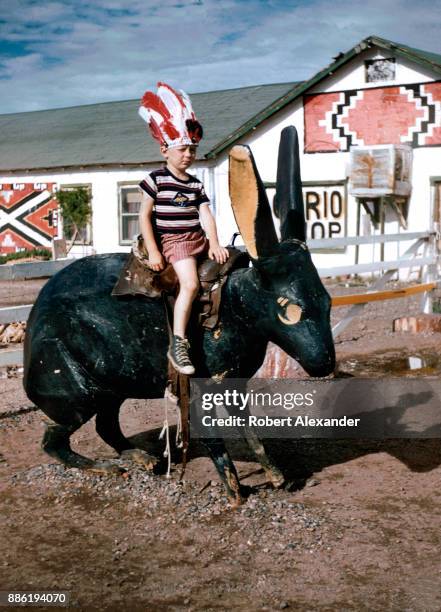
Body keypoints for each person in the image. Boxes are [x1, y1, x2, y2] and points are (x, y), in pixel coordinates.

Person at [138, 82, 229, 376]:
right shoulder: (156, 180)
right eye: (183, 149)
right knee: (189, 284)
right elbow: (144, 215)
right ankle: (178, 342)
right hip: (175, 242)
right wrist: (153, 249)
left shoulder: (195, 184)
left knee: (232, 269)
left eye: (192, 149)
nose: (188, 154)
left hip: (197, 238)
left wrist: (214, 243)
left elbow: (206, 214)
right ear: (165, 149)